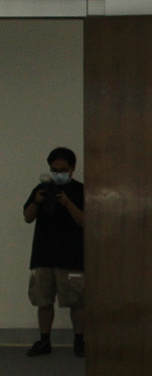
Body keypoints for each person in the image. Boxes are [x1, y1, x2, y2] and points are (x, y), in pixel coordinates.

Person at [23, 147, 86, 357]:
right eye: (54, 170)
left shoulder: (81, 190)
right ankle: (44, 341)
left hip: (71, 256)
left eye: (63, 170)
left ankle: (79, 341)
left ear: (72, 168)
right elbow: (28, 217)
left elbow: (85, 222)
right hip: (43, 255)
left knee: (77, 302)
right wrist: (37, 201)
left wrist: (67, 203)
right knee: (43, 301)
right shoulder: (41, 189)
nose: (58, 173)